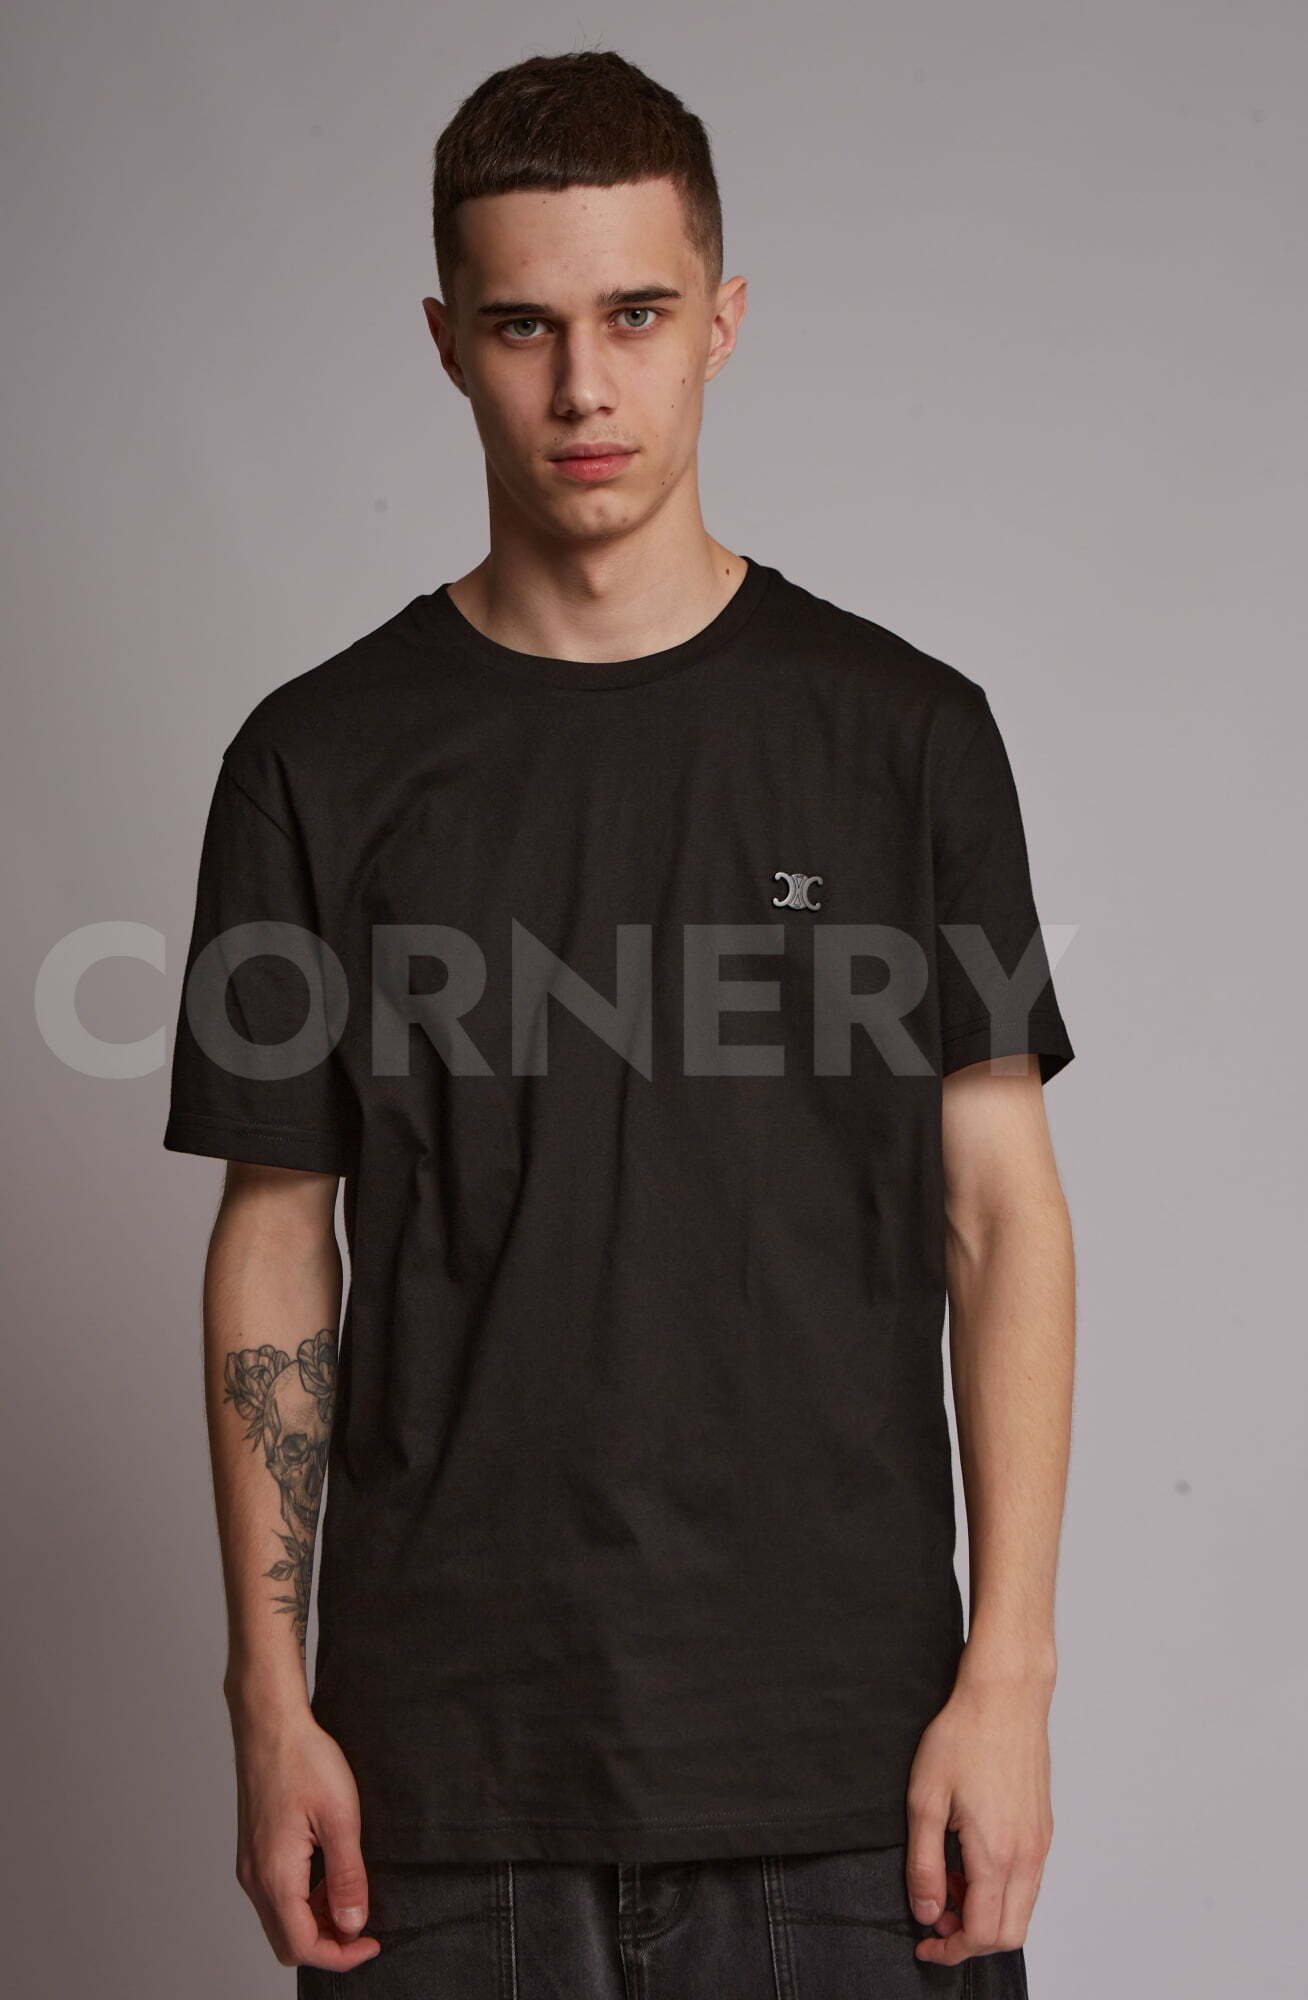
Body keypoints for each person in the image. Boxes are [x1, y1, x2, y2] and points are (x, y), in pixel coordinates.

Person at [164, 47, 1075, 1999]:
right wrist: (266, 1694)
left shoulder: (906, 739)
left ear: (722, 320)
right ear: (447, 342)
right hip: (440, 1790)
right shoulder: (315, 763)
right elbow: (275, 1235)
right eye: (525, 326)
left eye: (637, 316)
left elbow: (999, 1212)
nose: (584, 386)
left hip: (850, 1779)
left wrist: (1010, 1677)